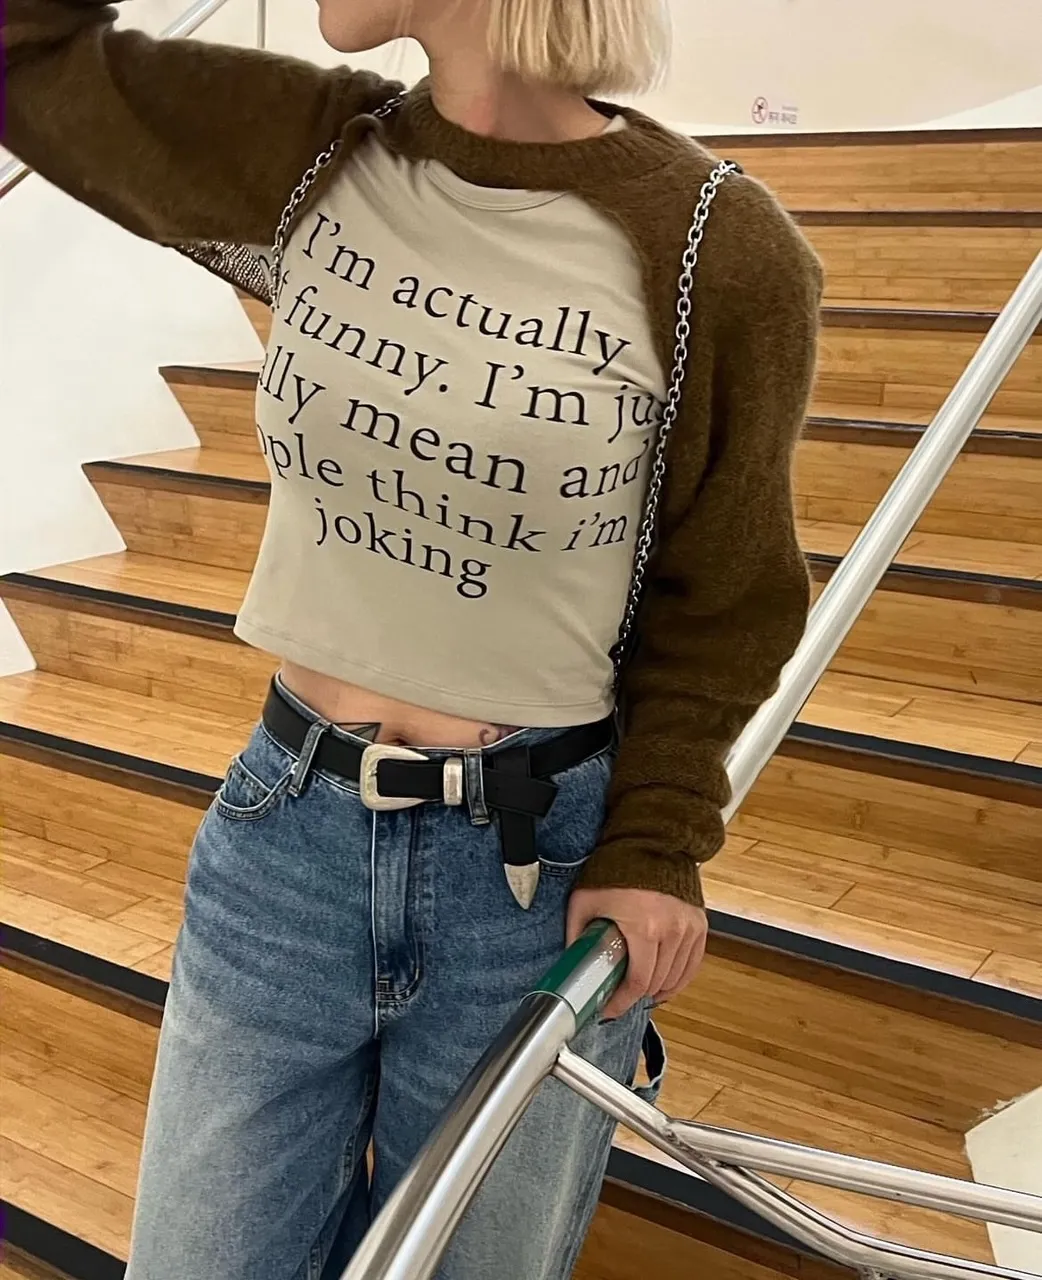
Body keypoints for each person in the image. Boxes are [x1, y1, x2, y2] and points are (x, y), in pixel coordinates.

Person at [3, 0, 822, 1276]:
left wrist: (658, 839)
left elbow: (728, 593)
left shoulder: (718, 247)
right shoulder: (312, 149)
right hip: (287, 839)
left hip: (534, 877)